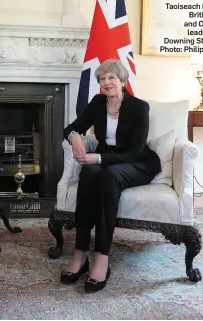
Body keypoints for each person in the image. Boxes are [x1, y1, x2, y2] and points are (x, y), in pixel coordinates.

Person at [61, 59, 161, 292]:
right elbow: (71, 128)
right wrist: (75, 135)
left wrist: (99, 158)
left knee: (107, 176)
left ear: (123, 81)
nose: (106, 83)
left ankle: (102, 256)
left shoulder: (139, 107)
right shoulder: (98, 103)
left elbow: (135, 151)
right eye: (102, 79)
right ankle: (80, 253)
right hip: (106, 160)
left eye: (111, 78)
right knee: (89, 173)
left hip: (136, 163)